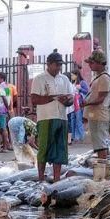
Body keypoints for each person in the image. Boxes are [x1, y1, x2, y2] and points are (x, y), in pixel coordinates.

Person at [30, 51, 75, 182]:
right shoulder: (39, 79)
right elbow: (34, 99)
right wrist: (54, 98)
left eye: (60, 65)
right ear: (48, 64)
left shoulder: (64, 79)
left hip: (62, 117)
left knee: (60, 149)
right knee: (44, 148)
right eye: (56, 65)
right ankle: (40, 177)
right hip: (45, 118)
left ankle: (56, 179)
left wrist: (67, 100)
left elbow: (71, 98)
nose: (59, 68)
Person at [83, 51, 110, 160]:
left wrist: (86, 103)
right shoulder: (98, 77)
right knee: (100, 144)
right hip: (95, 115)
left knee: (100, 145)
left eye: (92, 63)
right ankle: (104, 168)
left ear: (100, 63)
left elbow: (101, 98)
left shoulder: (104, 78)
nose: (90, 65)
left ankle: (102, 170)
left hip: (99, 115)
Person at [0, 72, 14, 151]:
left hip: (1, 110)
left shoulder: (1, 87)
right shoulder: (6, 86)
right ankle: (5, 144)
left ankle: (5, 147)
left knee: (3, 128)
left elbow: (4, 98)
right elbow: (8, 99)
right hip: (3, 109)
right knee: (1, 128)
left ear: (2, 79)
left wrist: (7, 109)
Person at [67, 70, 87, 143]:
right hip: (73, 105)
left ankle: (81, 136)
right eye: (71, 75)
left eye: (73, 75)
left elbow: (87, 91)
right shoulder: (72, 83)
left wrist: (80, 88)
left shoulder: (82, 82)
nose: (72, 77)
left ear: (77, 75)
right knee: (73, 121)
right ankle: (74, 137)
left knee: (78, 121)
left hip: (78, 104)